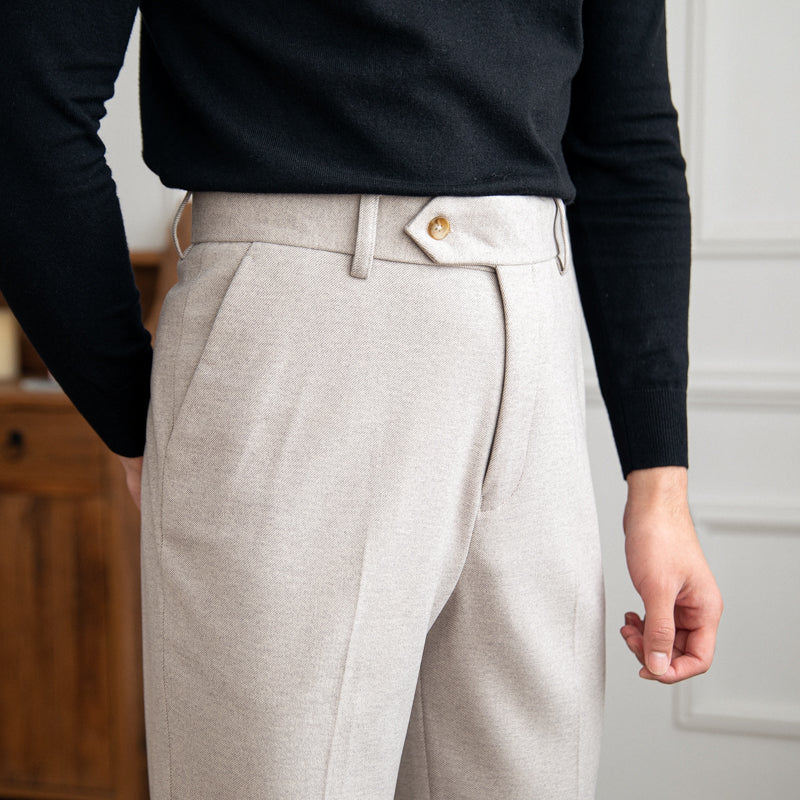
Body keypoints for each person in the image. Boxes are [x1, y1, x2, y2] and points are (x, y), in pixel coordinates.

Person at [0, 1, 723, 798]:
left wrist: (659, 486)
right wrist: (132, 412)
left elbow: (628, 138)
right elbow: (25, 94)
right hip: (301, 329)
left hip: (535, 346)